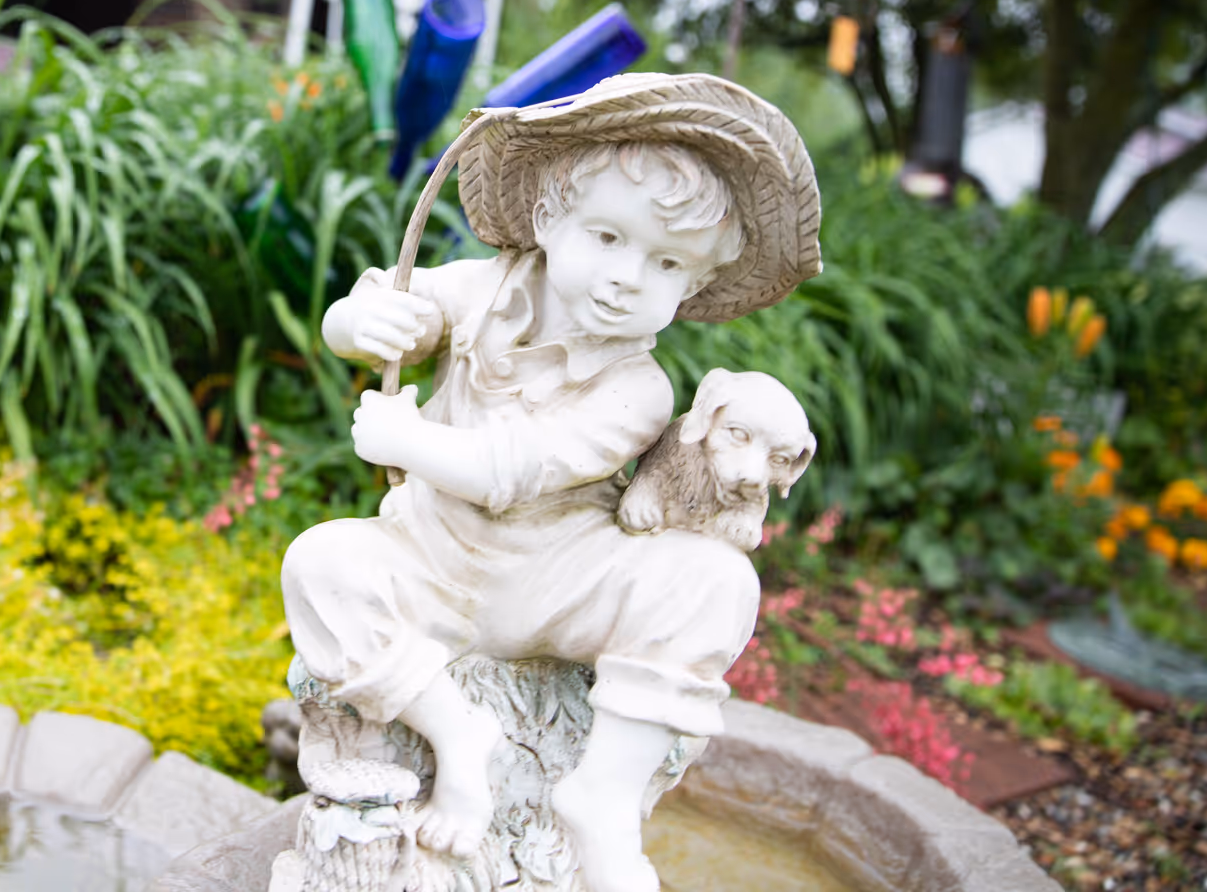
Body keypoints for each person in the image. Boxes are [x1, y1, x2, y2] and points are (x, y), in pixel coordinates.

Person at [281, 73, 821, 892]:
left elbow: (514, 468)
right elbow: (383, 304)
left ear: (694, 287)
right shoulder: (479, 288)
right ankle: (457, 733)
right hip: (430, 560)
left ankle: (603, 796)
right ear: (547, 220)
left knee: (717, 581)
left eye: (666, 263)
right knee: (320, 563)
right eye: (607, 237)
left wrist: (408, 440)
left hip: (557, 580)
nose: (627, 276)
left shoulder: (640, 390)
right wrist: (365, 321)